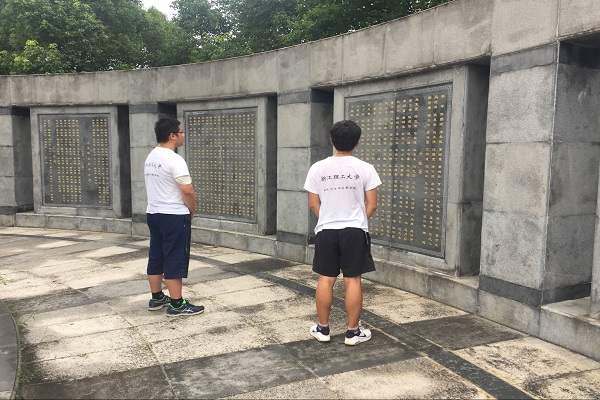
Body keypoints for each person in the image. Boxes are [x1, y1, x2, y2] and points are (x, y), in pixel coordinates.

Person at [303, 120, 381, 345]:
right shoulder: (365, 168)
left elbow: (313, 203)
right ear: (357, 142)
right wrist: (357, 221)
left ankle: (323, 329)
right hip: (354, 230)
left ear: (331, 141)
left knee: (326, 279)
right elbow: (372, 204)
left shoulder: (317, 168)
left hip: (326, 230)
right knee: (352, 280)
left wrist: (328, 218)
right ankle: (352, 332)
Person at [144, 117, 204, 317]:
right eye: (181, 132)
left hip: (154, 213)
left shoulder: (151, 157)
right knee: (175, 257)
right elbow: (187, 191)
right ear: (172, 135)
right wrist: (191, 211)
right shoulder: (174, 159)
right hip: (173, 215)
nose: (183, 135)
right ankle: (177, 304)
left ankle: (157, 297)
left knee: (156, 254)